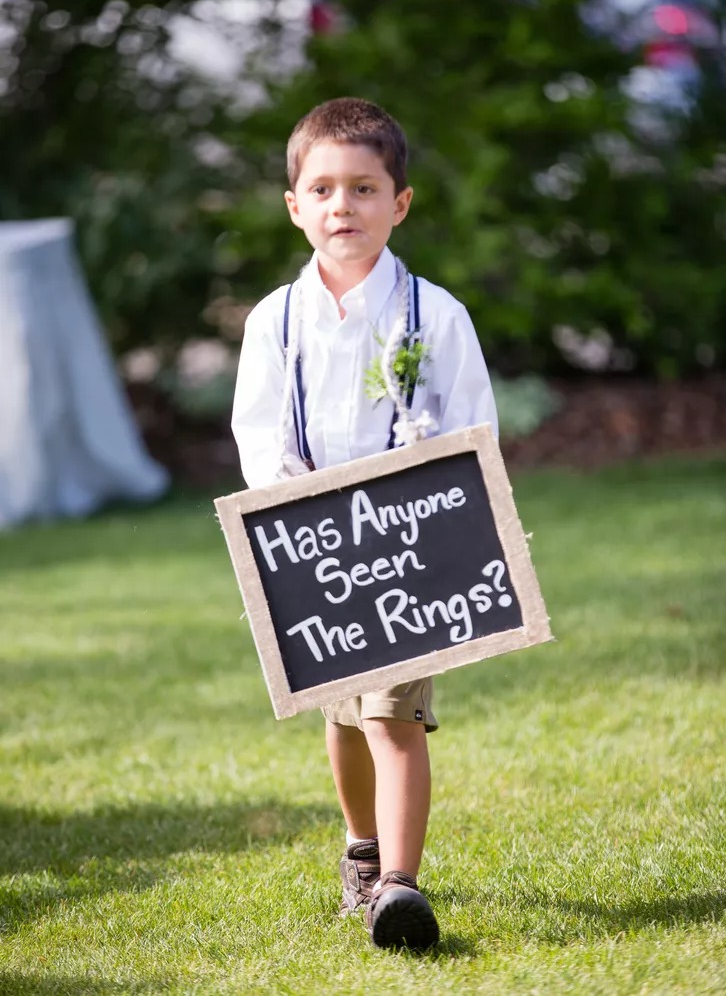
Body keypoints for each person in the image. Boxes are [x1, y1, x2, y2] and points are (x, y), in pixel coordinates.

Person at [231, 97, 498, 950]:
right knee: (341, 719)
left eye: (363, 187)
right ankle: (361, 848)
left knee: (390, 716)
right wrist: (291, 500)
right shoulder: (274, 321)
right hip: (314, 548)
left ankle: (399, 887)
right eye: (323, 189)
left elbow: (471, 428)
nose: (342, 206)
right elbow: (255, 427)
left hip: (406, 547)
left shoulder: (434, 315)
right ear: (295, 206)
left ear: (399, 202)